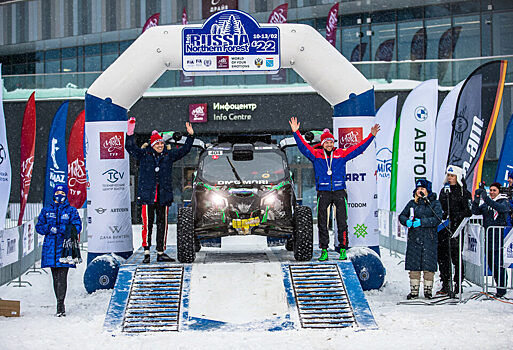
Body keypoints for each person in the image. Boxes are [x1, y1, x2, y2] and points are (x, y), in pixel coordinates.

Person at [289, 117, 380, 261]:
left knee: (342, 222)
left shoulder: (341, 154)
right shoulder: (316, 154)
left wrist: (371, 136)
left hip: (339, 192)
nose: (329, 144)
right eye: (327, 142)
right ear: (323, 144)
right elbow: (303, 147)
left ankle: (343, 248)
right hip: (323, 193)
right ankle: (324, 250)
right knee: (322, 223)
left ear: (333, 143)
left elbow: (358, 148)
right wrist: (296, 132)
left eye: (331, 142)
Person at [126, 117, 194, 263]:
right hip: (147, 196)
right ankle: (146, 252)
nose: (160, 146)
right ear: (152, 145)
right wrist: (130, 133)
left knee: (162, 224)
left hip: (163, 196)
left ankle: (160, 252)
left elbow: (184, 151)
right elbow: (130, 148)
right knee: (147, 225)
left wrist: (191, 136)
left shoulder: (168, 156)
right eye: (157, 144)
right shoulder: (144, 155)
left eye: (161, 143)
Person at [35, 184, 82, 316]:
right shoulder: (46, 210)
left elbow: (77, 227)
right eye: (58, 192)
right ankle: (59, 301)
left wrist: (62, 229)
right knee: (55, 277)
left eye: (62, 193)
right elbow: (39, 227)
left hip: (65, 248)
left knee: (62, 277)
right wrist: (49, 228)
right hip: (50, 248)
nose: (59, 195)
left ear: (66, 194)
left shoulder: (71, 211)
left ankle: (60, 305)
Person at [399, 179, 442, 299]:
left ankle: (428, 291)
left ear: (427, 190)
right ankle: (414, 291)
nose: (420, 191)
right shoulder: (412, 203)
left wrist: (422, 222)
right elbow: (402, 215)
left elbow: (438, 218)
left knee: (428, 265)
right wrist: (406, 221)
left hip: (429, 238)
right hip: (414, 239)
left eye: (422, 189)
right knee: (414, 265)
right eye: (418, 189)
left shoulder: (434, 203)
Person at [437, 165, 472, 295]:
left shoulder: (464, 193)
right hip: (444, 229)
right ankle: (445, 282)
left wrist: (455, 217)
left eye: (452, 176)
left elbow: (468, 211)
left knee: (456, 257)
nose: (450, 178)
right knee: (442, 257)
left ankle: (458, 282)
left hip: (457, 229)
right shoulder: (444, 191)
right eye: (448, 176)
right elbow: (440, 208)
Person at [472, 182, 510, 298]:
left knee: (499, 264)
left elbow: (501, 209)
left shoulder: (504, 201)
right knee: (491, 264)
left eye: (494, 190)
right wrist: (477, 199)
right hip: (488, 238)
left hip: (500, 237)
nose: (492, 192)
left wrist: (486, 198)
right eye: (491, 190)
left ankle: (502, 288)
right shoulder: (487, 204)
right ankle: (499, 286)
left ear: (499, 191)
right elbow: (476, 211)